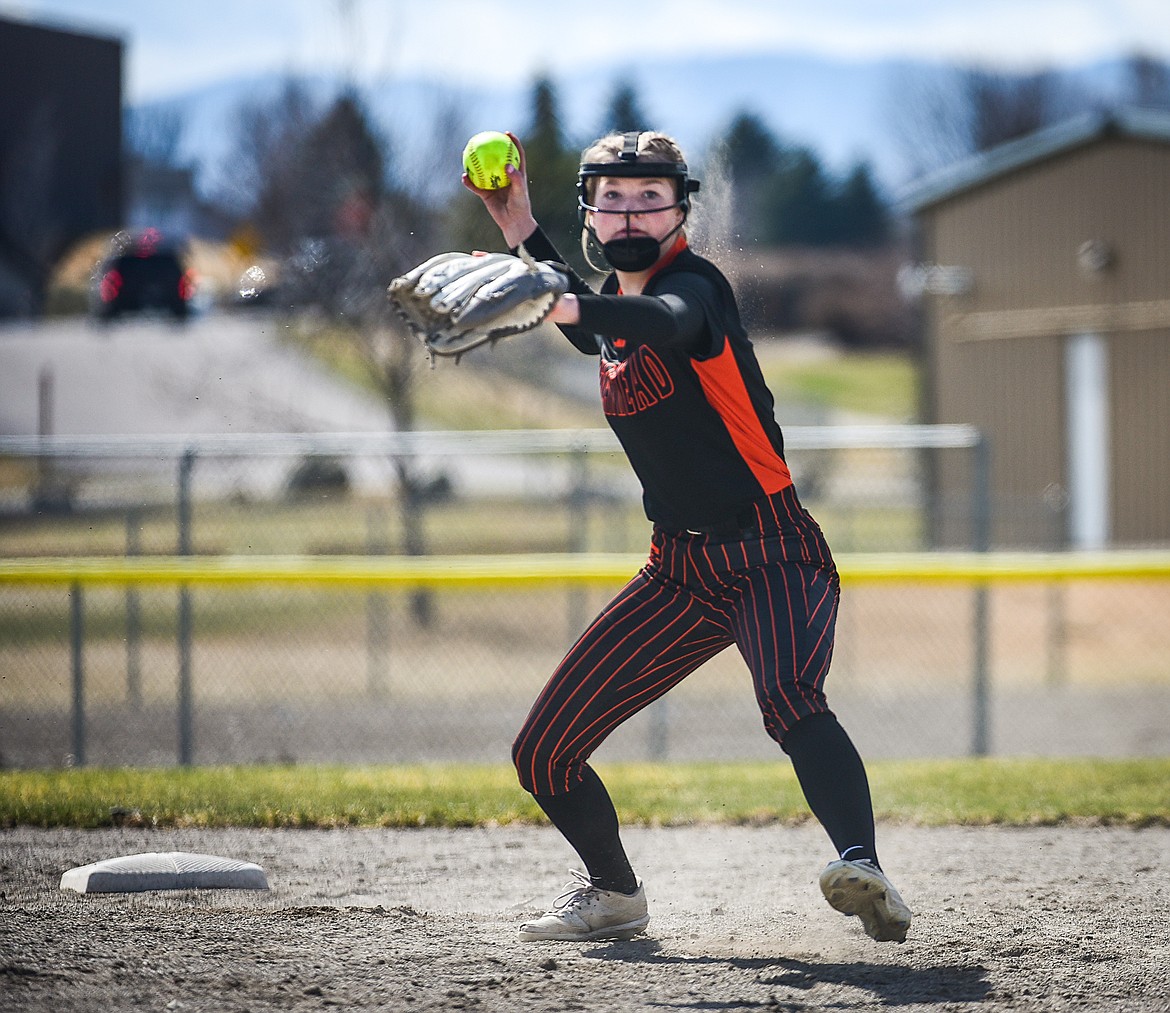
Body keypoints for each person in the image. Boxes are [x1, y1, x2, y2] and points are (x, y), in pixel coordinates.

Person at [464, 129, 911, 945]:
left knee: (789, 698)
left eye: (650, 196)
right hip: (678, 568)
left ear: (682, 211)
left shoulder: (695, 290)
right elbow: (593, 325)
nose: (630, 210)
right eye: (613, 196)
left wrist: (559, 298)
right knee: (543, 751)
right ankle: (614, 894)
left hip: (774, 553)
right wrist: (521, 228)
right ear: (591, 211)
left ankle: (862, 865)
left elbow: (659, 318)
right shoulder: (607, 302)